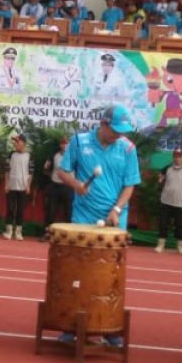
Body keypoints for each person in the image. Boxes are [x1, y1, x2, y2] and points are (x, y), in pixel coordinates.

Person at [55, 104, 141, 347]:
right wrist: (76, 185)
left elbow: (130, 184)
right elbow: (63, 172)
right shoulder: (80, 142)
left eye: (122, 131)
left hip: (115, 219)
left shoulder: (127, 148)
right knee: (78, 273)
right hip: (83, 218)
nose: (119, 135)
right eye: (115, 130)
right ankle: (72, 326)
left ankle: (109, 327)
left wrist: (116, 209)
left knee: (111, 277)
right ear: (103, 124)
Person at [156, 148, 182, 254]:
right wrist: (160, 180)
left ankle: (180, 246)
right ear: (173, 157)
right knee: (163, 223)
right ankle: (161, 244)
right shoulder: (166, 169)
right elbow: (160, 181)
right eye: (175, 156)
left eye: (180, 157)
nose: (177, 159)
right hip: (166, 201)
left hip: (180, 203)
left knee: (180, 225)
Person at [42, 136, 72, 239]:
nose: (64, 146)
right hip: (55, 186)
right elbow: (46, 168)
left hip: (68, 187)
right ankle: (47, 233)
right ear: (60, 145)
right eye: (63, 143)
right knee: (51, 211)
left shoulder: (74, 156)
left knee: (68, 212)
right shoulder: (54, 156)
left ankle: (69, 235)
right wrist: (51, 176)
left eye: (67, 144)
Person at [4, 134, 32, 240]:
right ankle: (9, 231)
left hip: (23, 187)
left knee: (20, 210)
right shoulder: (10, 155)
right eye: (14, 141)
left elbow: (31, 173)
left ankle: (18, 232)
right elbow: (7, 171)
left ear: (23, 143)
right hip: (11, 186)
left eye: (17, 141)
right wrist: (6, 184)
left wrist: (28, 186)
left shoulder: (29, 155)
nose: (15, 143)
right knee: (10, 209)